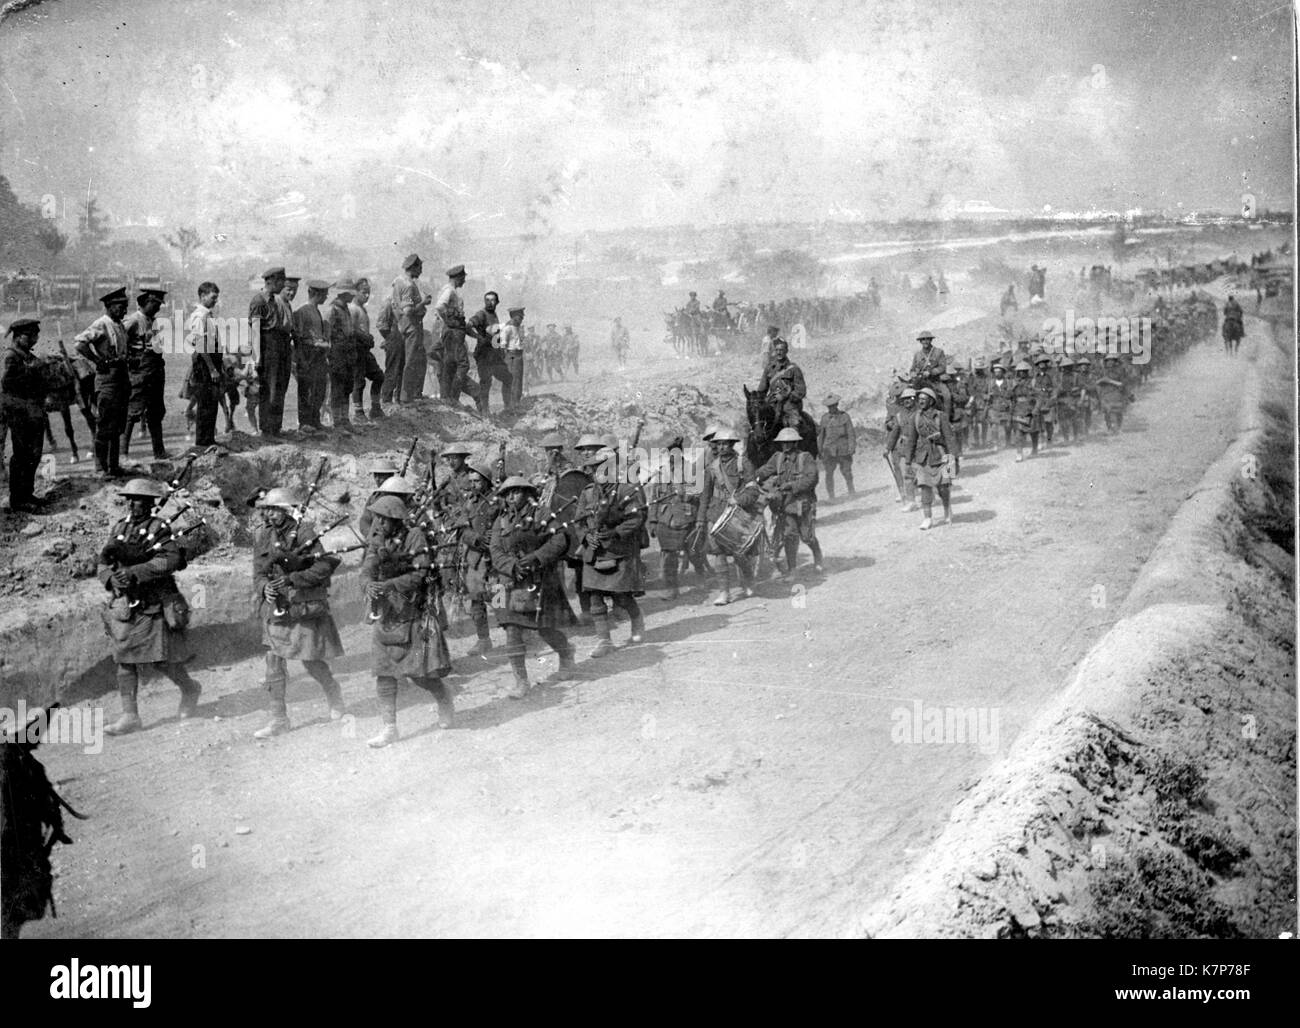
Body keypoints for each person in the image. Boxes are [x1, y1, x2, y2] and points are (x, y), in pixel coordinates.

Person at [98, 478, 202, 735]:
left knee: (161, 660)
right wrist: (111, 578)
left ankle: (190, 689)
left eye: (140, 501)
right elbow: (103, 561)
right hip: (125, 604)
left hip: (153, 602)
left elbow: (170, 560)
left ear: (150, 503)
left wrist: (135, 572)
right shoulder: (119, 528)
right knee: (123, 659)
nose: (134, 505)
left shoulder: (160, 528)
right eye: (130, 500)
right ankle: (130, 716)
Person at [251, 487, 346, 738]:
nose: (269, 515)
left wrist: (293, 579)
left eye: (274, 510)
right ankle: (279, 719)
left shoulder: (305, 531)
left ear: (285, 511)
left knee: (311, 662)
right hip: (276, 607)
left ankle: (333, 693)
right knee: (273, 663)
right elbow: (259, 571)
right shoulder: (263, 535)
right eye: (266, 510)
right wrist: (264, 589)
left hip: (301, 606)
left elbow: (324, 566)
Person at [361, 494, 454, 747]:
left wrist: (389, 584)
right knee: (384, 673)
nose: (378, 523)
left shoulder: (414, 536)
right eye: (376, 518)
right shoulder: (376, 538)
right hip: (385, 614)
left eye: (382, 518)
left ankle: (444, 700)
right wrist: (368, 585)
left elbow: (421, 574)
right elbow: (367, 567)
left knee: (420, 676)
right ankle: (389, 728)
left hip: (411, 611)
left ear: (395, 519)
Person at [490, 476, 577, 698]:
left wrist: (537, 557)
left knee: (545, 628)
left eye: (516, 492)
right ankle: (521, 681)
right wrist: (511, 566)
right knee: (511, 629)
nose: (511, 497)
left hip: (539, 579)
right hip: (510, 582)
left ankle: (566, 655)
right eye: (507, 494)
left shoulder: (542, 514)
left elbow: (559, 541)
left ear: (527, 493)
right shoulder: (501, 520)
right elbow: (495, 550)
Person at [574, 446, 647, 656]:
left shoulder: (626, 490)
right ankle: (604, 640)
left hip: (619, 549)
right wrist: (586, 536)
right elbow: (579, 521)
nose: (598, 473)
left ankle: (637, 622)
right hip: (594, 551)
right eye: (595, 469)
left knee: (622, 597)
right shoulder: (587, 493)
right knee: (595, 596)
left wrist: (615, 532)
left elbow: (636, 519)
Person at [694, 425, 759, 605]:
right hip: (715, 514)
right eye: (718, 444)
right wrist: (701, 518)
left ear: (732, 445)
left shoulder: (743, 463)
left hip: (737, 514)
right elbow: (705, 495)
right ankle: (724, 592)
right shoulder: (711, 467)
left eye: (725, 444)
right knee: (718, 553)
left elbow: (753, 490)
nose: (721, 447)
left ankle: (747, 580)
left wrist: (739, 500)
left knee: (739, 552)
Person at [74, 286, 133, 478]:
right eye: (121, 306)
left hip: (122, 378)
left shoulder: (120, 325)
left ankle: (113, 466)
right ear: (110, 306)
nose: (124, 310)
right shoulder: (101, 324)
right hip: (107, 380)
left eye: (125, 306)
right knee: (105, 424)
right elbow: (80, 343)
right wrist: (98, 360)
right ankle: (101, 468)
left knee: (118, 426)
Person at [644, 439, 711, 600]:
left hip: (688, 517)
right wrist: (653, 521)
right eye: (669, 453)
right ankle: (671, 588)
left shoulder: (692, 470)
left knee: (694, 552)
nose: (672, 456)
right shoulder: (661, 472)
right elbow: (655, 498)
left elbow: (702, 497)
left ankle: (700, 576)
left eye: (675, 452)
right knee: (668, 556)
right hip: (666, 519)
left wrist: (699, 516)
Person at [756, 426, 823, 575]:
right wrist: (751, 477)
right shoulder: (777, 458)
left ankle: (817, 556)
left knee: (807, 537)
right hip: (784, 505)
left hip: (802, 504)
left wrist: (791, 486)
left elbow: (812, 479)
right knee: (789, 536)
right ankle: (792, 569)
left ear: (795, 443)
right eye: (783, 443)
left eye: (789, 442)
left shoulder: (805, 458)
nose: (786, 446)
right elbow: (765, 470)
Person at [1, 317, 51, 512]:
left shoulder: (26, 355)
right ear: (18, 336)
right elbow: (7, 384)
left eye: (35, 336)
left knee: (34, 454)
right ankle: (18, 499)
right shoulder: (11, 356)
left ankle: (27, 493)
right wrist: (32, 371)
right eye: (30, 336)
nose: (34, 340)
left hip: (33, 412)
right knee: (22, 455)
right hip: (20, 413)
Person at [121, 288, 171, 460]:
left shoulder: (154, 321)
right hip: (140, 372)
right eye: (155, 304)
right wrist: (130, 360)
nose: (158, 308)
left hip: (156, 370)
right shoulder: (133, 321)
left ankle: (159, 452)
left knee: (156, 412)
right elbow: (120, 342)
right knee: (133, 411)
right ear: (146, 303)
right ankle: (123, 453)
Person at [900, 388, 956, 530]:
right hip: (922, 458)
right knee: (925, 487)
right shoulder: (915, 417)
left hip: (941, 455)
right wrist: (908, 461)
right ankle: (927, 518)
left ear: (931, 401)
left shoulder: (941, 416)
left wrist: (953, 460)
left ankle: (947, 511)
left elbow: (949, 439)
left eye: (924, 399)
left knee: (944, 488)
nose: (921, 402)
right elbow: (912, 440)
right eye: (919, 400)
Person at [249, 266, 292, 437]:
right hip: (268, 347)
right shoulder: (258, 301)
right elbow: (255, 331)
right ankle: (267, 430)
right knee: (270, 391)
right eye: (280, 281)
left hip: (280, 345)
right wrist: (256, 358)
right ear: (271, 281)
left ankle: (276, 428)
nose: (283, 285)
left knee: (280, 388)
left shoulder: (273, 300)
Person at [185, 282, 228, 449]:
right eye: (213, 297)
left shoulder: (209, 315)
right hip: (205, 364)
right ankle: (203, 443)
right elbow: (200, 344)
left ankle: (209, 439)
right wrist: (211, 369)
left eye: (216, 297)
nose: (215, 301)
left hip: (213, 362)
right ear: (203, 296)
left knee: (212, 402)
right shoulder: (199, 316)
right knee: (205, 403)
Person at [291, 280, 330, 433]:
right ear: (315, 294)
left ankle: (315, 420)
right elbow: (298, 337)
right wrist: (315, 344)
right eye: (324, 294)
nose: (326, 297)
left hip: (318, 358)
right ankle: (305, 422)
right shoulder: (302, 312)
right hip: (307, 357)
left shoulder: (316, 311)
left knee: (319, 390)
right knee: (306, 391)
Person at [468, 291, 511, 416]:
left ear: (497, 302)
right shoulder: (481, 314)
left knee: (508, 378)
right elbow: (468, 326)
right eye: (487, 300)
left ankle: (507, 407)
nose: (490, 302)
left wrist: (501, 350)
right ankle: (485, 411)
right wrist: (478, 337)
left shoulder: (494, 315)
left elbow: (495, 336)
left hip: (495, 355)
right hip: (484, 355)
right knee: (486, 382)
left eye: (492, 300)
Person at [392, 254, 428, 403]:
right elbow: (407, 310)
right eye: (419, 267)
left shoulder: (397, 281)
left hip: (402, 325)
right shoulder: (408, 285)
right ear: (413, 267)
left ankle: (401, 394)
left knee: (406, 361)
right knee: (412, 361)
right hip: (412, 326)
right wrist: (424, 303)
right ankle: (407, 396)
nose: (421, 271)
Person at [435, 264, 473, 404]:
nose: (464, 281)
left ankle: (447, 397)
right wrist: (449, 320)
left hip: (452, 332)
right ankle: (453, 396)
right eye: (463, 278)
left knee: (450, 364)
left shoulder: (451, 291)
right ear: (458, 277)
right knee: (463, 364)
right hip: (453, 332)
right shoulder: (450, 291)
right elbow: (439, 306)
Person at [349, 278, 385, 422]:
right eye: (364, 292)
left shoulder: (362, 309)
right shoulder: (353, 309)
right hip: (357, 349)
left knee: (379, 376)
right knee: (358, 381)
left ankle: (375, 408)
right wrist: (365, 337)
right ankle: (358, 413)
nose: (367, 295)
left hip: (365, 350)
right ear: (355, 292)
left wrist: (368, 337)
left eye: (369, 292)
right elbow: (350, 330)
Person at [327, 281, 360, 434]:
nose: (352, 295)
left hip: (348, 353)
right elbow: (328, 334)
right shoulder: (333, 310)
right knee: (337, 388)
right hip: (337, 353)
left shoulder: (345, 308)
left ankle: (345, 419)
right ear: (343, 294)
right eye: (350, 293)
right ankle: (337, 422)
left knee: (347, 387)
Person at [756, 338, 807, 429]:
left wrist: (785, 396)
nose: (779, 353)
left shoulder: (794, 369)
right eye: (777, 350)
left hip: (789, 405)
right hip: (772, 403)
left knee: (795, 423)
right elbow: (762, 390)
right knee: (756, 423)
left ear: (786, 351)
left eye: (781, 350)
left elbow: (801, 391)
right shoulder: (769, 368)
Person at [882, 388, 918, 508]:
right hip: (905, 449)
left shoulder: (921, 413)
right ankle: (911, 501)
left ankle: (930, 496)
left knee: (923, 474)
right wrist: (888, 448)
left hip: (920, 448)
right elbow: (894, 433)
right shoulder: (899, 415)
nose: (907, 401)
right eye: (904, 399)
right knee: (907, 474)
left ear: (915, 399)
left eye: (910, 398)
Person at [817, 393, 855, 500]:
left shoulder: (844, 416)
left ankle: (851, 491)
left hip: (843, 449)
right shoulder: (824, 419)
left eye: (833, 406)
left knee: (847, 472)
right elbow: (821, 436)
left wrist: (851, 447)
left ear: (837, 404)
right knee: (829, 474)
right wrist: (819, 450)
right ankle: (831, 496)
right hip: (829, 450)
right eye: (829, 407)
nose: (832, 408)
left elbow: (851, 433)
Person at [1095, 354, 1134, 432]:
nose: (1110, 362)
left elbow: (1123, 383)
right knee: (1107, 412)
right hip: (1105, 393)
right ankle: (1109, 427)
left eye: (1112, 360)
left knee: (1118, 411)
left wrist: (1111, 381)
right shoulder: (1102, 371)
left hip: (1117, 392)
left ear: (1115, 361)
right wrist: (1102, 380)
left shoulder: (1120, 371)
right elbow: (1096, 382)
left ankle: (1118, 426)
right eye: (1108, 361)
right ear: (1106, 362)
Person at [1009, 361, 1039, 461]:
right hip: (1018, 409)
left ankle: (1034, 449)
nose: (1022, 373)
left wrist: (1035, 409)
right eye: (1020, 371)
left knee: (1033, 431)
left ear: (1027, 372)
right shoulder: (1014, 383)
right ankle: (1019, 452)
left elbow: (1039, 397)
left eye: (1024, 371)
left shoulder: (1033, 382)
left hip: (1030, 409)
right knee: (1018, 432)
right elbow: (1012, 398)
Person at [500, 306, 526, 408]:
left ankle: (516, 402)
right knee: (511, 379)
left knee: (518, 379)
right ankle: (508, 404)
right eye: (520, 317)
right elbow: (502, 346)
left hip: (519, 355)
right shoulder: (507, 328)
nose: (522, 319)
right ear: (514, 317)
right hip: (511, 356)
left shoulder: (519, 328)